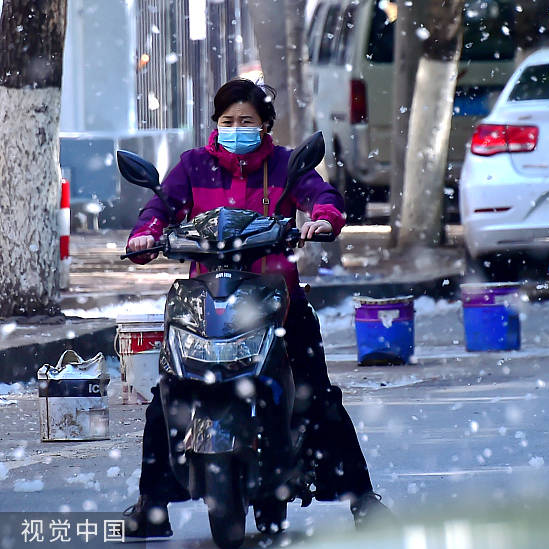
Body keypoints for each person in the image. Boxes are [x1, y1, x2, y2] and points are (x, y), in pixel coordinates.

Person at [122, 78, 391, 538]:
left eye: (247, 121)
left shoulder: (285, 166)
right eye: (228, 121)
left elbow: (322, 198)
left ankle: (362, 498)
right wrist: (146, 234)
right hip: (206, 302)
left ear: (265, 125)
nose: (236, 128)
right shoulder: (193, 166)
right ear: (216, 124)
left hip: (277, 301)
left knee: (318, 395)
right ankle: (152, 504)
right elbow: (159, 209)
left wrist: (324, 219)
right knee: (167, 395)